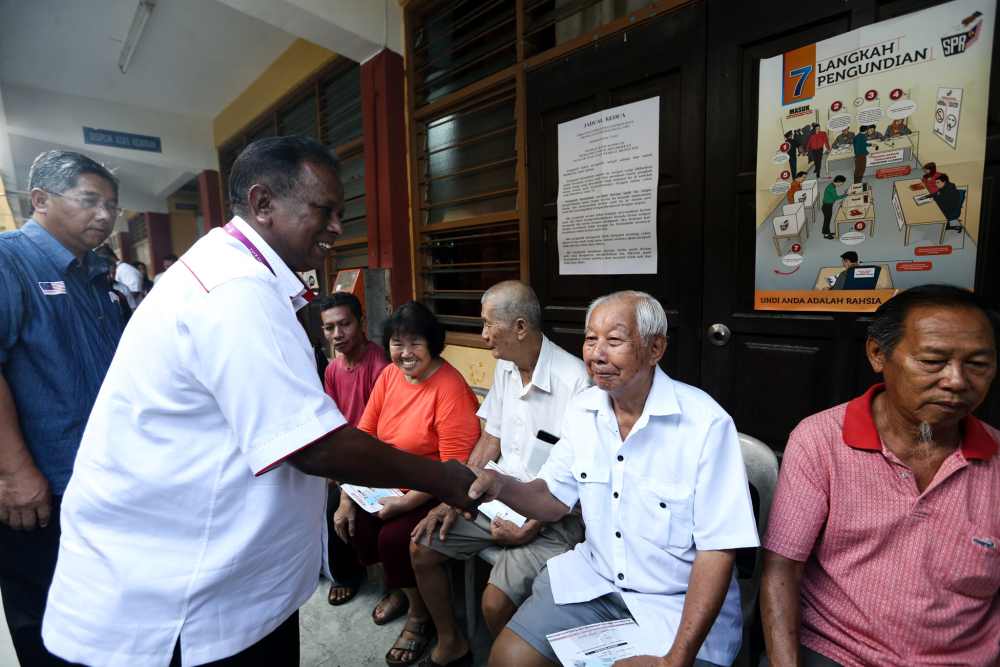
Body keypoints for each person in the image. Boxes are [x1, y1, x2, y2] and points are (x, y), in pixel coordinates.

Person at [41, 136, 480, 667]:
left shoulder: (241, 277)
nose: (338, 227)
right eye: (325, 210)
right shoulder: (235, 290)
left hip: (210, 572)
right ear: (264, 204)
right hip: (185, 590)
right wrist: (444, 480)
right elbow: (314, 446)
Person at [469, 291, 760, 667]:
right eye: (591, 339)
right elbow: (552, 499)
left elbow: (718, 550)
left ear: (656, 348)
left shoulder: (705, 424)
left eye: (614, 340)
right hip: (595, 583)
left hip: (673, 605)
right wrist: (498, 484)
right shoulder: (583, 410)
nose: (596, 354)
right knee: (508, 659)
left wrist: (675, 660)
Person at [761, 285, 999, 667]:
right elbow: (782, 567)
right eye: (933, 360)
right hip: (839, 653)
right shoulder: (821, 440)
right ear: (877, 354)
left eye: (978, 364)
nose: (957, 380)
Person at [409, 281, 590, 667]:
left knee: (494, 605)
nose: (484, 335)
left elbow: (573, 481)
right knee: (421, 547)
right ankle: (452, 643)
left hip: (551, 515)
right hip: (497, 497)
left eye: (490, 325)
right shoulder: (507, 367)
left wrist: (532, 526)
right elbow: (491, 437)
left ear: (520, 327)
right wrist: (459, 494)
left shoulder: (575, 380)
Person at [0, 150, 126, 666]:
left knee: (103, 620)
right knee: (51, 625)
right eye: (89, 200)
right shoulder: (10, 259)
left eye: (112, 205)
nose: (104, 214)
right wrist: (14, 472)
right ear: (41, 200)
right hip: (38, 491)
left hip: (99, 483)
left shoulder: (96, 272)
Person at [332, 300, 480, 666]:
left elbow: (452, 468)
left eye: (415, 342)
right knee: (350, 518)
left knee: (395, 536)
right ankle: (402, 588)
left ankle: (419, 617)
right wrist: (349, 495)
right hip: (390, 479)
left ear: (433, 344)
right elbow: (365, 435)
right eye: (397, 343)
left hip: (434, 486)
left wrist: (407, 503)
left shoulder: (449, 387)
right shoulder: (389, 376)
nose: (405, 353)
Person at [319, 291, 390, 606]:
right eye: (329, 328)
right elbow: (332, 421)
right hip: (345, 456)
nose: (337, 334)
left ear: (361, 323)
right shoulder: (333, 369)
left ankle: (349, 574)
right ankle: (329, 564)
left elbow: (383, 432)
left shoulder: (379, 365)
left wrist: (346, 478)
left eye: (344, 324)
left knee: (337, 503)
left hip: (375, 456)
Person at [821, 175, 848, 240]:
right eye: (842, 183)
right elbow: (836, 197)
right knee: (827, 221)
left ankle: (827, 232)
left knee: (827, 220)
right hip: (827, 207)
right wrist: (845, 195)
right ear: (838, 181)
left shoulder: (832, 185)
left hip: (827, 206)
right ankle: (826, 234)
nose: (842, 184)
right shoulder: (832, 188)